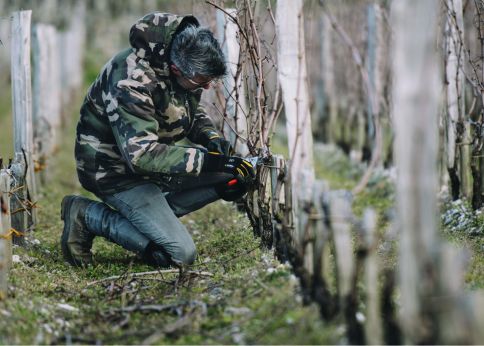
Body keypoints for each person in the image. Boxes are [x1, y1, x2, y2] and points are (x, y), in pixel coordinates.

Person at [60, 12, 255, 268]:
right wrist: (208, 161)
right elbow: (142, 156)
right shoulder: (130, 81)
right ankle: (87, 215)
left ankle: (150, 217)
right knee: (178, 255)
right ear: (177, 69)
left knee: (230, 177)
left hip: (150, 168)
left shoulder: (176, 61)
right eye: (202, 81)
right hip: (115, 173)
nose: (207, 87)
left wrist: (211, 138)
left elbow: (188, 109)